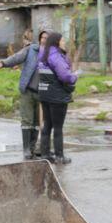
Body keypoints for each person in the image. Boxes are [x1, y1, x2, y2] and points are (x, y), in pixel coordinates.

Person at [0, 28, 48, 157]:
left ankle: (33, 146)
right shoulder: (31, 50)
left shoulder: (52, 55)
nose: (44, 40)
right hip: (28, 90)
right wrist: (3, 63)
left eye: (47, 38)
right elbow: (16, 57)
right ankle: (26, 149)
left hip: (43, 93)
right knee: (27, 120)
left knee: (37, 122)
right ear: (39, 39)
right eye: (43, 37)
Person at [35, 31, 79, 164]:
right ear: (56, 42)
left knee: (47, 124)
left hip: (44, 93)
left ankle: (45, 154)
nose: (64, 43)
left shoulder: (43, 55)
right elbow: (65, 76)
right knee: (58, 127)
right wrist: (75, 75)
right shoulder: (56, 57)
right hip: (57, 96)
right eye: (63, 41)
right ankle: (60, 156)